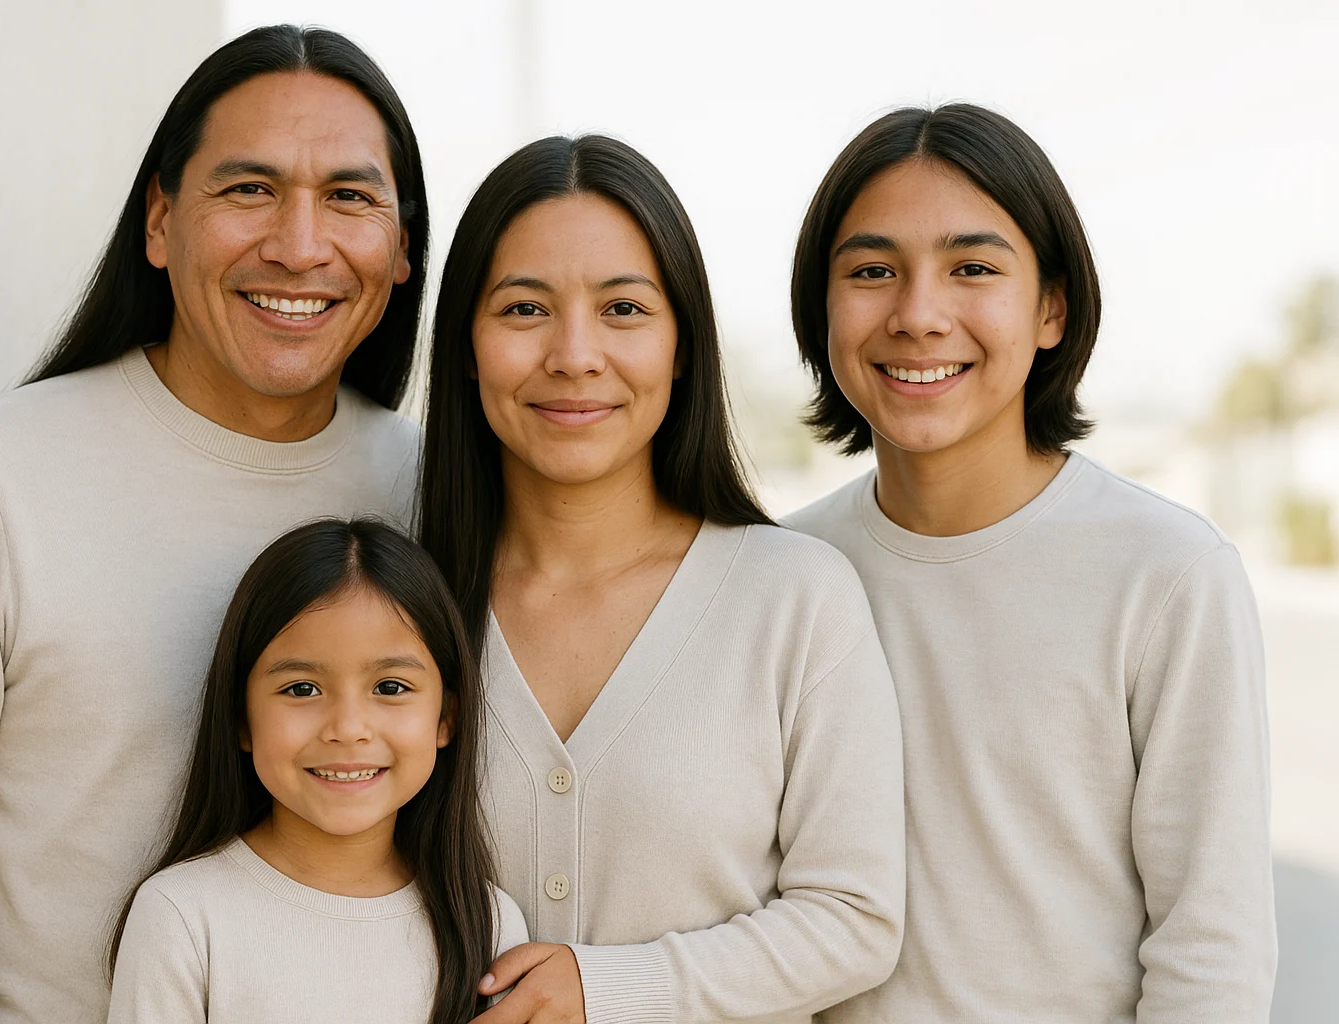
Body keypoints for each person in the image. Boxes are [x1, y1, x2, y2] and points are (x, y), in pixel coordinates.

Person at [0, 25, 428, 1024]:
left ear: (402, 247)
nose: (301, 243)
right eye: (248, 189)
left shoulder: (428, 490)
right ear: (158, 220)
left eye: (350, 198)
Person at [784, 103, 1277, 1022]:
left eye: (972, 268)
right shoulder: (782, 574)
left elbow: (1212, 955)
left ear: (1051, 306)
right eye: (872, 271)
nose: (919, 315)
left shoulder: (1168, 576)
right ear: (822, 307)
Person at [418, 134, 906, 1024]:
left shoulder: (793, 598)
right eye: (524, 310)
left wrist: (604, 989)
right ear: (465, 345)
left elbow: (855, 919)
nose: (573, 354)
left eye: (624, 310)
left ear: (682, 345)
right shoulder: (399, 608)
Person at [107, 518, 528, 1024]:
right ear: (241, 720)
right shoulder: (182, 915)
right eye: (302, 689)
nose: (348, 729)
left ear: (446, 717)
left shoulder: (487, 923)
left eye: (390, 688)